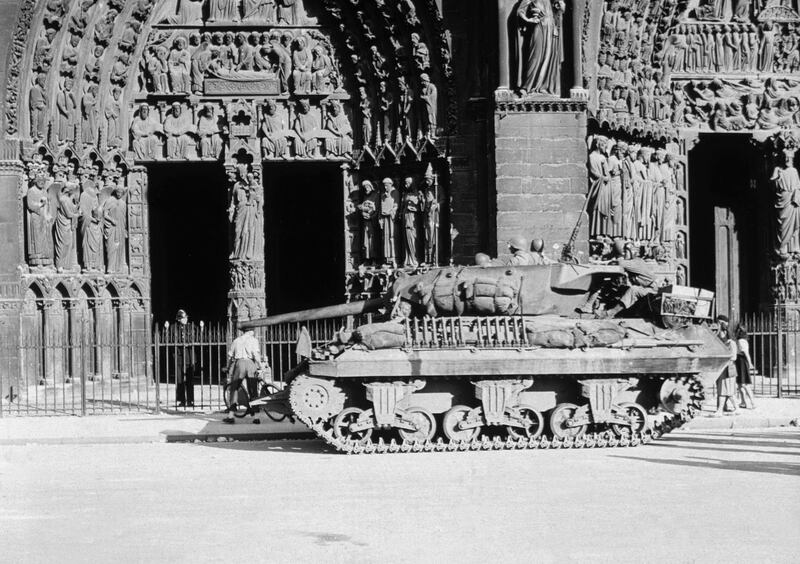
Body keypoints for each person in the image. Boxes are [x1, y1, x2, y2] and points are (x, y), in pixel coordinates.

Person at [224, 325, 269, 424]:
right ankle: (256, 417)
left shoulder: (236, 341)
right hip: (250, 364)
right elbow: (256, 355)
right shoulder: (253, 340)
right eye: (253, 330)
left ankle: (231, 415)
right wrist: (261, 366)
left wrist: (228, 367)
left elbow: (230, 357)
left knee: (234, 388)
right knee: (253, 390)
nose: (254, 332)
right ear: (250, 331)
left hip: (239, 364)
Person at [714, 316, 738, 416]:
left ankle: (720, 410)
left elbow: (733, 357)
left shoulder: (731, 343)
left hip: (727, 368)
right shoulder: (727, 343)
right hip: (725, 368)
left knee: (725, 391)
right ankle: (723, 409)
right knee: (726, 391)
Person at [173, 309, 196, 408]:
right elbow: (170, 338)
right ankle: (181, 400)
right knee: (180, 380)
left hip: (189, 356)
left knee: (190, 380)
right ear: (179, 319)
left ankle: (190, 400)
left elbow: (196, 337)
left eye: (186, 317)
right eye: (183, 318)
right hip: (179, 356)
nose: (186, 319)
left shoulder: (191, 327)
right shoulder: (174, 328)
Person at [734, 325, 756, 409]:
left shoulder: (741, 341)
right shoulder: (741, 341)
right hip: (739, 361)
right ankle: (743, 402)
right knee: (740, 384)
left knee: (745, 384)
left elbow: (746, 353)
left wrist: (750, 363)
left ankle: (752, 402)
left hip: (742, 361)